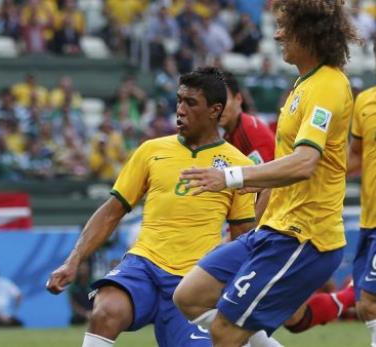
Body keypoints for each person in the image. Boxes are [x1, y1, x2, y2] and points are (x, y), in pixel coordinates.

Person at [173, 1, 357, 346]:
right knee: (189, 296)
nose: (277, 34)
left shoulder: (328, 86)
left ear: (308, 32)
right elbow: (283, 167)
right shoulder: (303, 85)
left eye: (285, 27)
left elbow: (304, 163)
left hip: (305, 236)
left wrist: (230, 177)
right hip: (274, 228)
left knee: (225, 332)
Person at [47, 67, 259, 347]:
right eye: (179, 100)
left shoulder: (238, 166)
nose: (180, 110)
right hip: (144, 266)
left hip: (194, 281)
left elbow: (242, 236)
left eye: (191, 103)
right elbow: (112, 211)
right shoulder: (151, 151)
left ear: (214, 110)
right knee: (106, 310)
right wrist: (73, 260)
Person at [346, 45, 376, 345]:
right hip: (369, 220)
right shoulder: (365, 102)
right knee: (364, 306)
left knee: (369, 303)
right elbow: (355, 156)